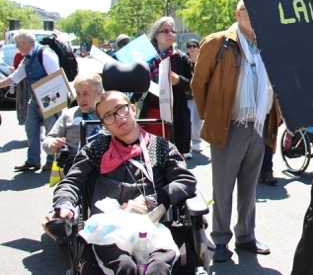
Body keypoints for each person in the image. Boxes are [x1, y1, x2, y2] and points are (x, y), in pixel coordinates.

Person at [42, 90, 197, 274]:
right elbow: (72, 181)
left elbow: (185, 180)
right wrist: (64, 206)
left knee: (158, 269)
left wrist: (151, 201)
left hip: (153, 226)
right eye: (108, 116)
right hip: (107, 230)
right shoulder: (96, 149)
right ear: (104, 125)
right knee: (124, 268)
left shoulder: (160, 146)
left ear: (132, 109)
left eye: (120, 109)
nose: (117, 118)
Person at [192, 0, 281, 262]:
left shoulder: (266, 43)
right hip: (229, 125)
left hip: (258, 125)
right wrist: (213, 116)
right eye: (248, 12)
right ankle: (220, 239)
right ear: (237, 14)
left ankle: (246, 236)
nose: (254, 16)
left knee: (249, 187)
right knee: (223, 187)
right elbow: (199, 84)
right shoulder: (219, 41)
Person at [0, 30, 60, 171]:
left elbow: (56, 77)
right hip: (35, 98)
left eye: (17, 44)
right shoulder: (27, 57)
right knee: (31, 127)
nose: (16, 47)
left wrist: (48, 99)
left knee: (52, 131)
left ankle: (52, 161)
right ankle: (33, 160)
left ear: (24, 43)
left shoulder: (45, 54)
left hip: (50, 98)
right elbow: (16, 77)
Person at [140, 17, 193, 158]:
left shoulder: (181, 58)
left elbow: (194, 86)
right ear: (156, 35)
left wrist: (179, 81)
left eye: (172, 31)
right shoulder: (146, 58)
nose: (170, 34)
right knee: (152, 156)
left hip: (175, 115)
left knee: (173, 158)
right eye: (165, 31)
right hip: (151, 113)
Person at [42, 72, 104, 174]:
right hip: (74, 166)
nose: (80, 99)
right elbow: (48, 140)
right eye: (78, 94)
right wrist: (52, 144)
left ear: (99, 93)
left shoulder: (108, 114)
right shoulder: (69, 115)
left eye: (85, 94)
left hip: (103, 165)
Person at [185, 38, 203, 153]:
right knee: (189, 119)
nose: (191, 48)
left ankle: (196, 142)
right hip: (187, 95)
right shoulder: (184, 60)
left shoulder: (203, 60)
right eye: (189, 46)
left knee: (198, 120)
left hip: (200, 94)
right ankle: (189, 142)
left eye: (194, 46)